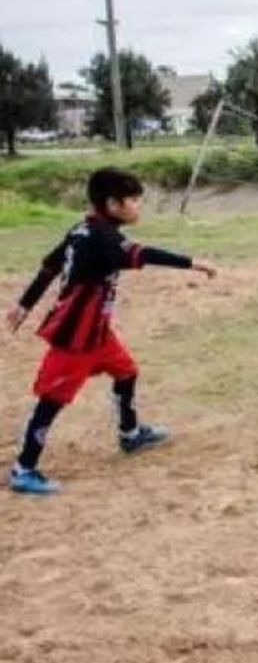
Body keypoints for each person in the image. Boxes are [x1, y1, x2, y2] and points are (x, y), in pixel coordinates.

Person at [5, 168, 218, 496]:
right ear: (112, 204)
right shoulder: (104, 238)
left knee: (127, 372)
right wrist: (193, 263)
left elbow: (50, 265)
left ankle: (130, 434)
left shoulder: (83, 229)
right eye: (133, 201)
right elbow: (141, 254)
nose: (137, 207)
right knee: (52, 399)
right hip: (75, 337)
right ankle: (24, 469)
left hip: (98, 333)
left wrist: (24, 304)